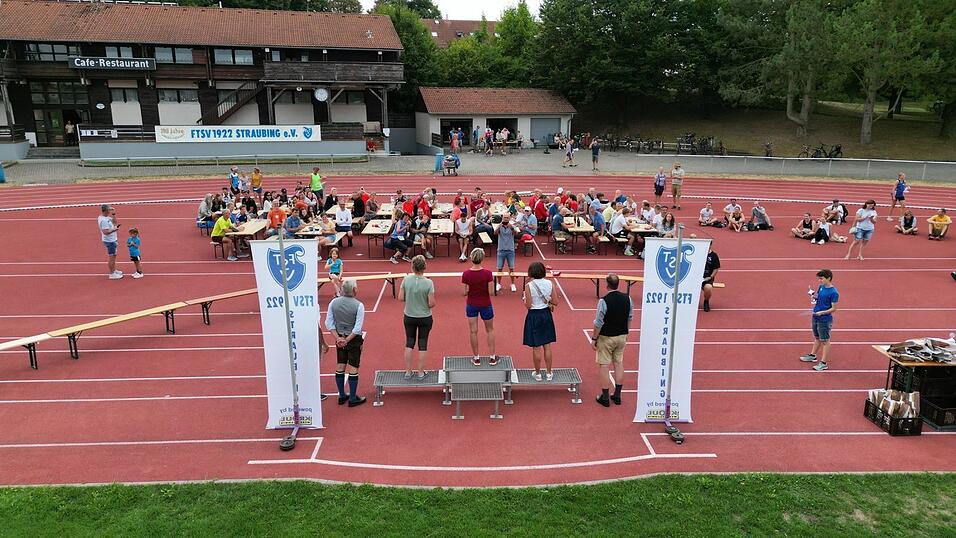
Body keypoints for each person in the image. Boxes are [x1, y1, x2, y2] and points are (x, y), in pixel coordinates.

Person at [325, 279, 367, 406]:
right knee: (353, 366)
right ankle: (353, 398)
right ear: (354, 290)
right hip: (353, 339)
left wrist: (338, 338)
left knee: (340, 365)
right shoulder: (359, 305)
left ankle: (342, 395)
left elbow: (329, 323)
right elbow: (357, 327)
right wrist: (347, 340)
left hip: (339, 338)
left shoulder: (333, 303)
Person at [592, 273, 632, 405]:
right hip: (621, 336)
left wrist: (594, 338)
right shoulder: (628, 298)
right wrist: (627, 333)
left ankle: (604, 397)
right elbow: (629, 318)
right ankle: (617, 395)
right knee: (619, 363)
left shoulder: (604, 301)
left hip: (607, 337)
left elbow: (599, 322)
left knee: (604, 365)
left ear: (607, 285)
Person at [399, 255, 436, 380]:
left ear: (412, 266)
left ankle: (408, 372)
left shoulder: (406, 279)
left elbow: (400, 298)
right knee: (422, 343)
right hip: (425, 317)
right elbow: (431, 303)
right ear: (424, 267)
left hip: (409, 315)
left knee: (409, 342)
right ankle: (420, 372)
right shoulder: (428, 282)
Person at [522, 261, 557, 381]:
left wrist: (524, 300)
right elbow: (556, 302)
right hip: (546, 315)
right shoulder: (550, 283)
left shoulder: (528, 286)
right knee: (547, 345)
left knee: (536, 346)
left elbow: (528, 305)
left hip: (534, 315)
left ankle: (537, 374)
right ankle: (548, 373)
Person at [461, 248, 496, 366]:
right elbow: (491, 292)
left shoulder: (466, 274)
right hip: (486, 304)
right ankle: (492, 357)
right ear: (482, 258)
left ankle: (476, 358)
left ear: (471, 258)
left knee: (473, 331)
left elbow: (464, 292)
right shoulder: (488, 273)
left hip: (471, 305)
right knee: (490, 330)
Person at [800, 269, 839, 372]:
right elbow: (819, 299)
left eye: (821, 278)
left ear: (829, 278)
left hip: (824, 319)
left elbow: (834, 308)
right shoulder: (821, 287)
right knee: (817, 337)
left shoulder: (834, 292)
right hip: (815, 316)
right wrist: (813, 297)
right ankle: (813, 356)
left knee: (825, 341)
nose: (819, 281)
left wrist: (822, 312)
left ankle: (823, 363)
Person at [495, 212, 520, 292]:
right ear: (502, 218)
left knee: (511, 268)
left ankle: (512, 284)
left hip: (510, 250)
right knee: (499, 268)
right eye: (504, 217)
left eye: (507, 218)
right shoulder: (499, 225)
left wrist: (511, 227)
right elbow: (495, 233)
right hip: (501, 249)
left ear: (509, 218)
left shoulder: (512, 225)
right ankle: (498, 284)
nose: (505, 219)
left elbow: (516, 233)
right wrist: (499, 226)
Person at [97, 204, 124, 279]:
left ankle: (114, 270)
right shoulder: (103, 220)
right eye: (109, 210)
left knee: (114, 256)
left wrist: (114, 214)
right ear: (105, 210)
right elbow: (105, 232)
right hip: (110, 241)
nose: (110, 211)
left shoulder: (105, 217)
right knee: (112, 256)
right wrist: (114, 230)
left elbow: (115, 222)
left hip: (113, 239)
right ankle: (112, 273)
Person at [701, 243, 720, 312]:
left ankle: (706, 301)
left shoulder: (714, 255)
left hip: (707, 278)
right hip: (695, 277)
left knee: (708, 288)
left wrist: (710, 277)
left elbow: (716, 268)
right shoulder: (698, 253)